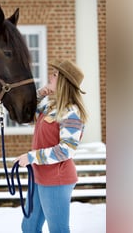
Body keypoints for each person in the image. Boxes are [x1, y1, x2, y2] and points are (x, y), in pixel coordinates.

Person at [14, 59, 88, 233]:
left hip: (57, 179)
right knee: (29, 228)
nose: (50, 76)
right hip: (39, 176)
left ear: (63, 82)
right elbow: (24, 116)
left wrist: (31, 157)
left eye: (55, 75)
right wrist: (40, 93)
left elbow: (66, 150)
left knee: (58, 230)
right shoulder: (49, 106)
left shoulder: (72, 113)